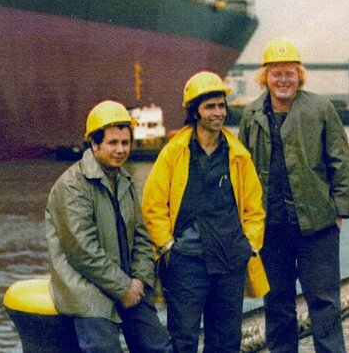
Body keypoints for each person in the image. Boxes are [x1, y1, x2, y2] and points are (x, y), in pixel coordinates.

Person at [238, 38, 349, 353]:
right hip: (271, 227)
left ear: (299, 76)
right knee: (277, 303)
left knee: (324, 303)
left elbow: (341, 162)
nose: (283, 80)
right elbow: (242, 169)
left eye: (289, 73)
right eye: (276, 74)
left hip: (318, 225)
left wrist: (339, 212)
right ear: (265, 78)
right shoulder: (251, 115)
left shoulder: (320, 109)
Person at [142, 71, 268, 353]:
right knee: (184, 338)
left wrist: (248, 244)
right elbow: (153, 204)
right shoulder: (174, 153)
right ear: (195, 111)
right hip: (186, 262)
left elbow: (254, 208)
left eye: (222, 105)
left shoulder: (238, 156)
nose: (219, 112)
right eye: (210, 106)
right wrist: (167, 245)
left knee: (225, 341)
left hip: (229, 259)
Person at [45, 100, 171, 353]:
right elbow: (82, 251)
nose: (121, 150)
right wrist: (123, 287)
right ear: (94, 143)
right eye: (113, 143)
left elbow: (142, 237)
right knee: (104, 349)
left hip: (128, 285)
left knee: (159, 347)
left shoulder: (124, 180)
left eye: (125, 143)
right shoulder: (72, 186)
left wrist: (139, 280)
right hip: (88, 289)